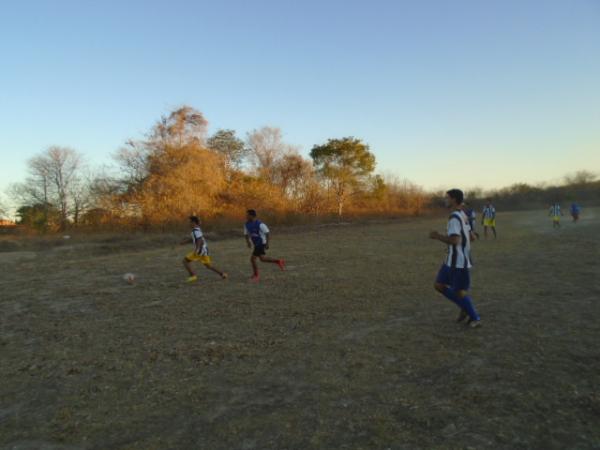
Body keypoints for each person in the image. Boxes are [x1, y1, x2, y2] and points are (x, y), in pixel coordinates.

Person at [430, 189, 481, 328]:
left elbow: (455, 240)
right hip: (450, 260)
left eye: (447, 198)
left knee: (458, 291)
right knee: (439, 285)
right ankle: (464, 307)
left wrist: (437, 236)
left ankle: (475, 317)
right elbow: (472, 237)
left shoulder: (454, 217)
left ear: (453, 199)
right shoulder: (463, 215)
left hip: (458, 262)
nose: (445, 200)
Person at [181, 216, 228, 283]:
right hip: (204, 250)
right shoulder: (197, 229)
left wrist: (197, 250)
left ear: (193, 222)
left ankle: (193, 276)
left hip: (200, 250)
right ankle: (222, 274)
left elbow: (200, 240)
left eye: (189, 222)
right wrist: (184, 242)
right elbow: (194, 239)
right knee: (208, 266)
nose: (188, 223)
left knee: (185, 261)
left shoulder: (195, 231)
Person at [244, 209, 285, 282]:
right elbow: (246, 234)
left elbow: (267, 233)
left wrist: (267, 243)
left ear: (252, 216)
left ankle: (256, 276)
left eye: (247, 215)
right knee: (262, 259)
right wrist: (248, 242)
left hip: (261, 243)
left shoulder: (260, 224)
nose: (246, 216)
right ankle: (278, 261)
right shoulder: (246, 224)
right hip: (256, 243)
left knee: (252, 259)